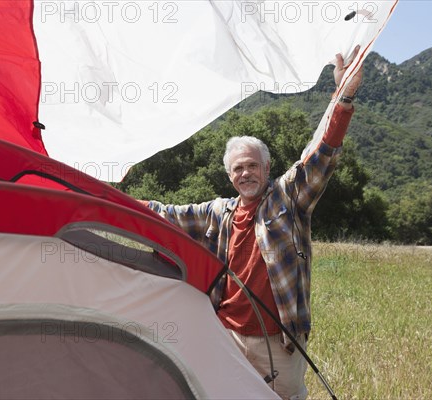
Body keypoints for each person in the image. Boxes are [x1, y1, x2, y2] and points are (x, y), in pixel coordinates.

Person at [141, 49, 363, 400]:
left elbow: (322, 155)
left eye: (252, 166)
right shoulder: (219, 212)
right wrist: (103, 199)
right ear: (230, 176)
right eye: (238, 169)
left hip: (278, 341)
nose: (246, 173)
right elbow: (165, 214)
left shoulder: (288, 198)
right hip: (226, 334)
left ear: (266, 167)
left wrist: (343, 97)